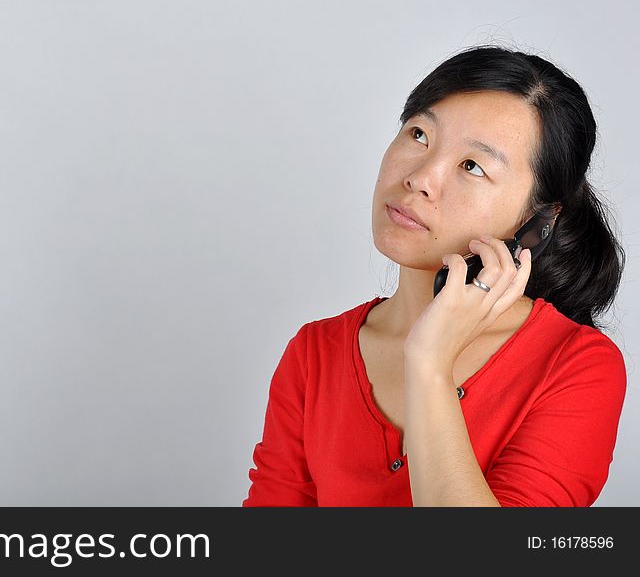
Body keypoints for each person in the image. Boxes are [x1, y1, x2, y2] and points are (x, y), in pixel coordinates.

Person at [242, 44, 628, 507]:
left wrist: (429, 362)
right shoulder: (314, 354)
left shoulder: (575, 365)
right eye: (420, 135)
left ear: (538, 221)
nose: (421, 177)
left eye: (472, 166)